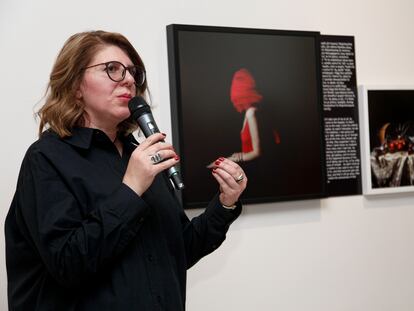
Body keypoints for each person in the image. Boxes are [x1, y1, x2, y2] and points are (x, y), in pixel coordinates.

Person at [5, 30, 247, 311]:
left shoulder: (139, 156)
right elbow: (68, 265)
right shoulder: (46, 158)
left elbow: (178, 251)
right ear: (75, 86)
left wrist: (225, 204)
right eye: (112, 69)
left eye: (133, 72)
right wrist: (131, 188)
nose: (130, 80)